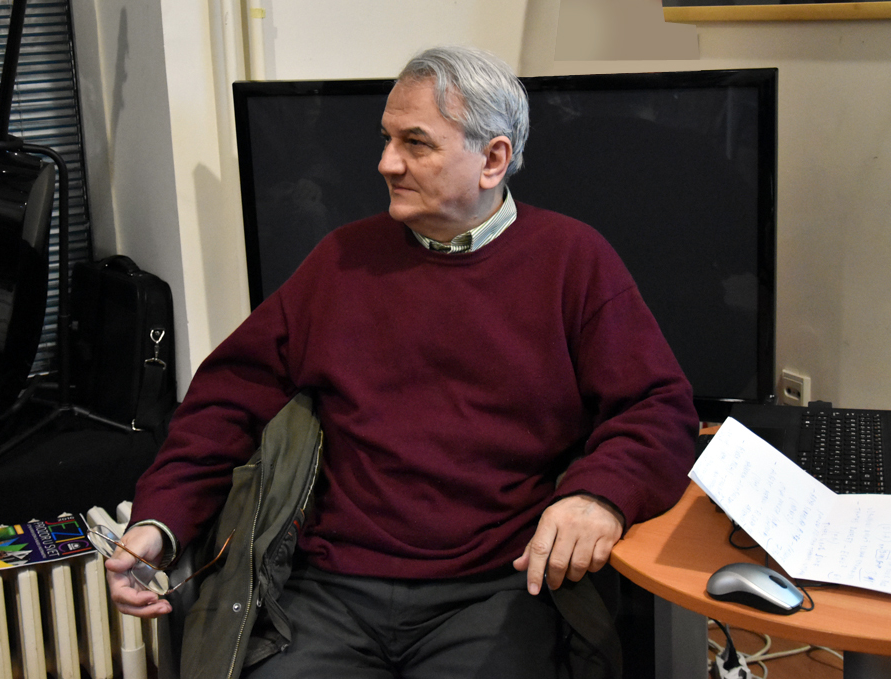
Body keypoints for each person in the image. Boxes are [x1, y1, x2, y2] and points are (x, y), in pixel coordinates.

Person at [105, 45, 698, 678]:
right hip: (330, 588)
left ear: (493, 159)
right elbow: (225, 401)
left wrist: (599, 497)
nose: (386, 162)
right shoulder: (342, 261)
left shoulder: (572, 261)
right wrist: (160, 522)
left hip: (493, 589)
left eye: (416, 143)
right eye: (387, 139)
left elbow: (659, 409)